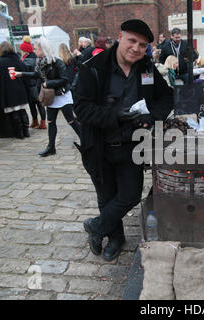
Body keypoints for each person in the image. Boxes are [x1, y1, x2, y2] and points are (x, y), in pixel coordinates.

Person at [74, 19, 173, 262]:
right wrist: (115, 115)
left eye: (142, 44)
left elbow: (167, 97)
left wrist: (152, 116)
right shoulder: (93, 67)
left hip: (132, 146)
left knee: (129, 195)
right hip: (99, 146)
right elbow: (82, 109)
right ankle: (115, 238)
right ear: (120, 37)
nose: (136, 48)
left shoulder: (147, 68)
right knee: (107, 196)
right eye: (132, 41)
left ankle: (96, 227)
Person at [16, 37, 80, 157]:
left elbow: (64, 79)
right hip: (50, 96)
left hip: (62, 94)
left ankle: (87, 141)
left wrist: (48, 83)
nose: (34, 51)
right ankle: (51, 147)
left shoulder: (56, 61)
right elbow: (36, 74)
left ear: (43, 49)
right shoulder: (39, 62)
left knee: (71, 120)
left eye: (36, 49)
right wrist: (21, 74)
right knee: (51, 122)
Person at [0, 41, 30, 140]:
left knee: (14, 112)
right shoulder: (18, 60)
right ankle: (26, 131)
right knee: (22, 110)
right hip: (20, 89)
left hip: (8, 91)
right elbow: (26, 74)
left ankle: (19, 133)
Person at [19, 35, 47, 130]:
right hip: (37, 84)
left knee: (34, 104)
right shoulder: (35, 58)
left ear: (25, 51)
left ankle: (38, 121)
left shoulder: (25, 61)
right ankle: (40, 122)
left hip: (31, 85)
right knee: (38, 104)